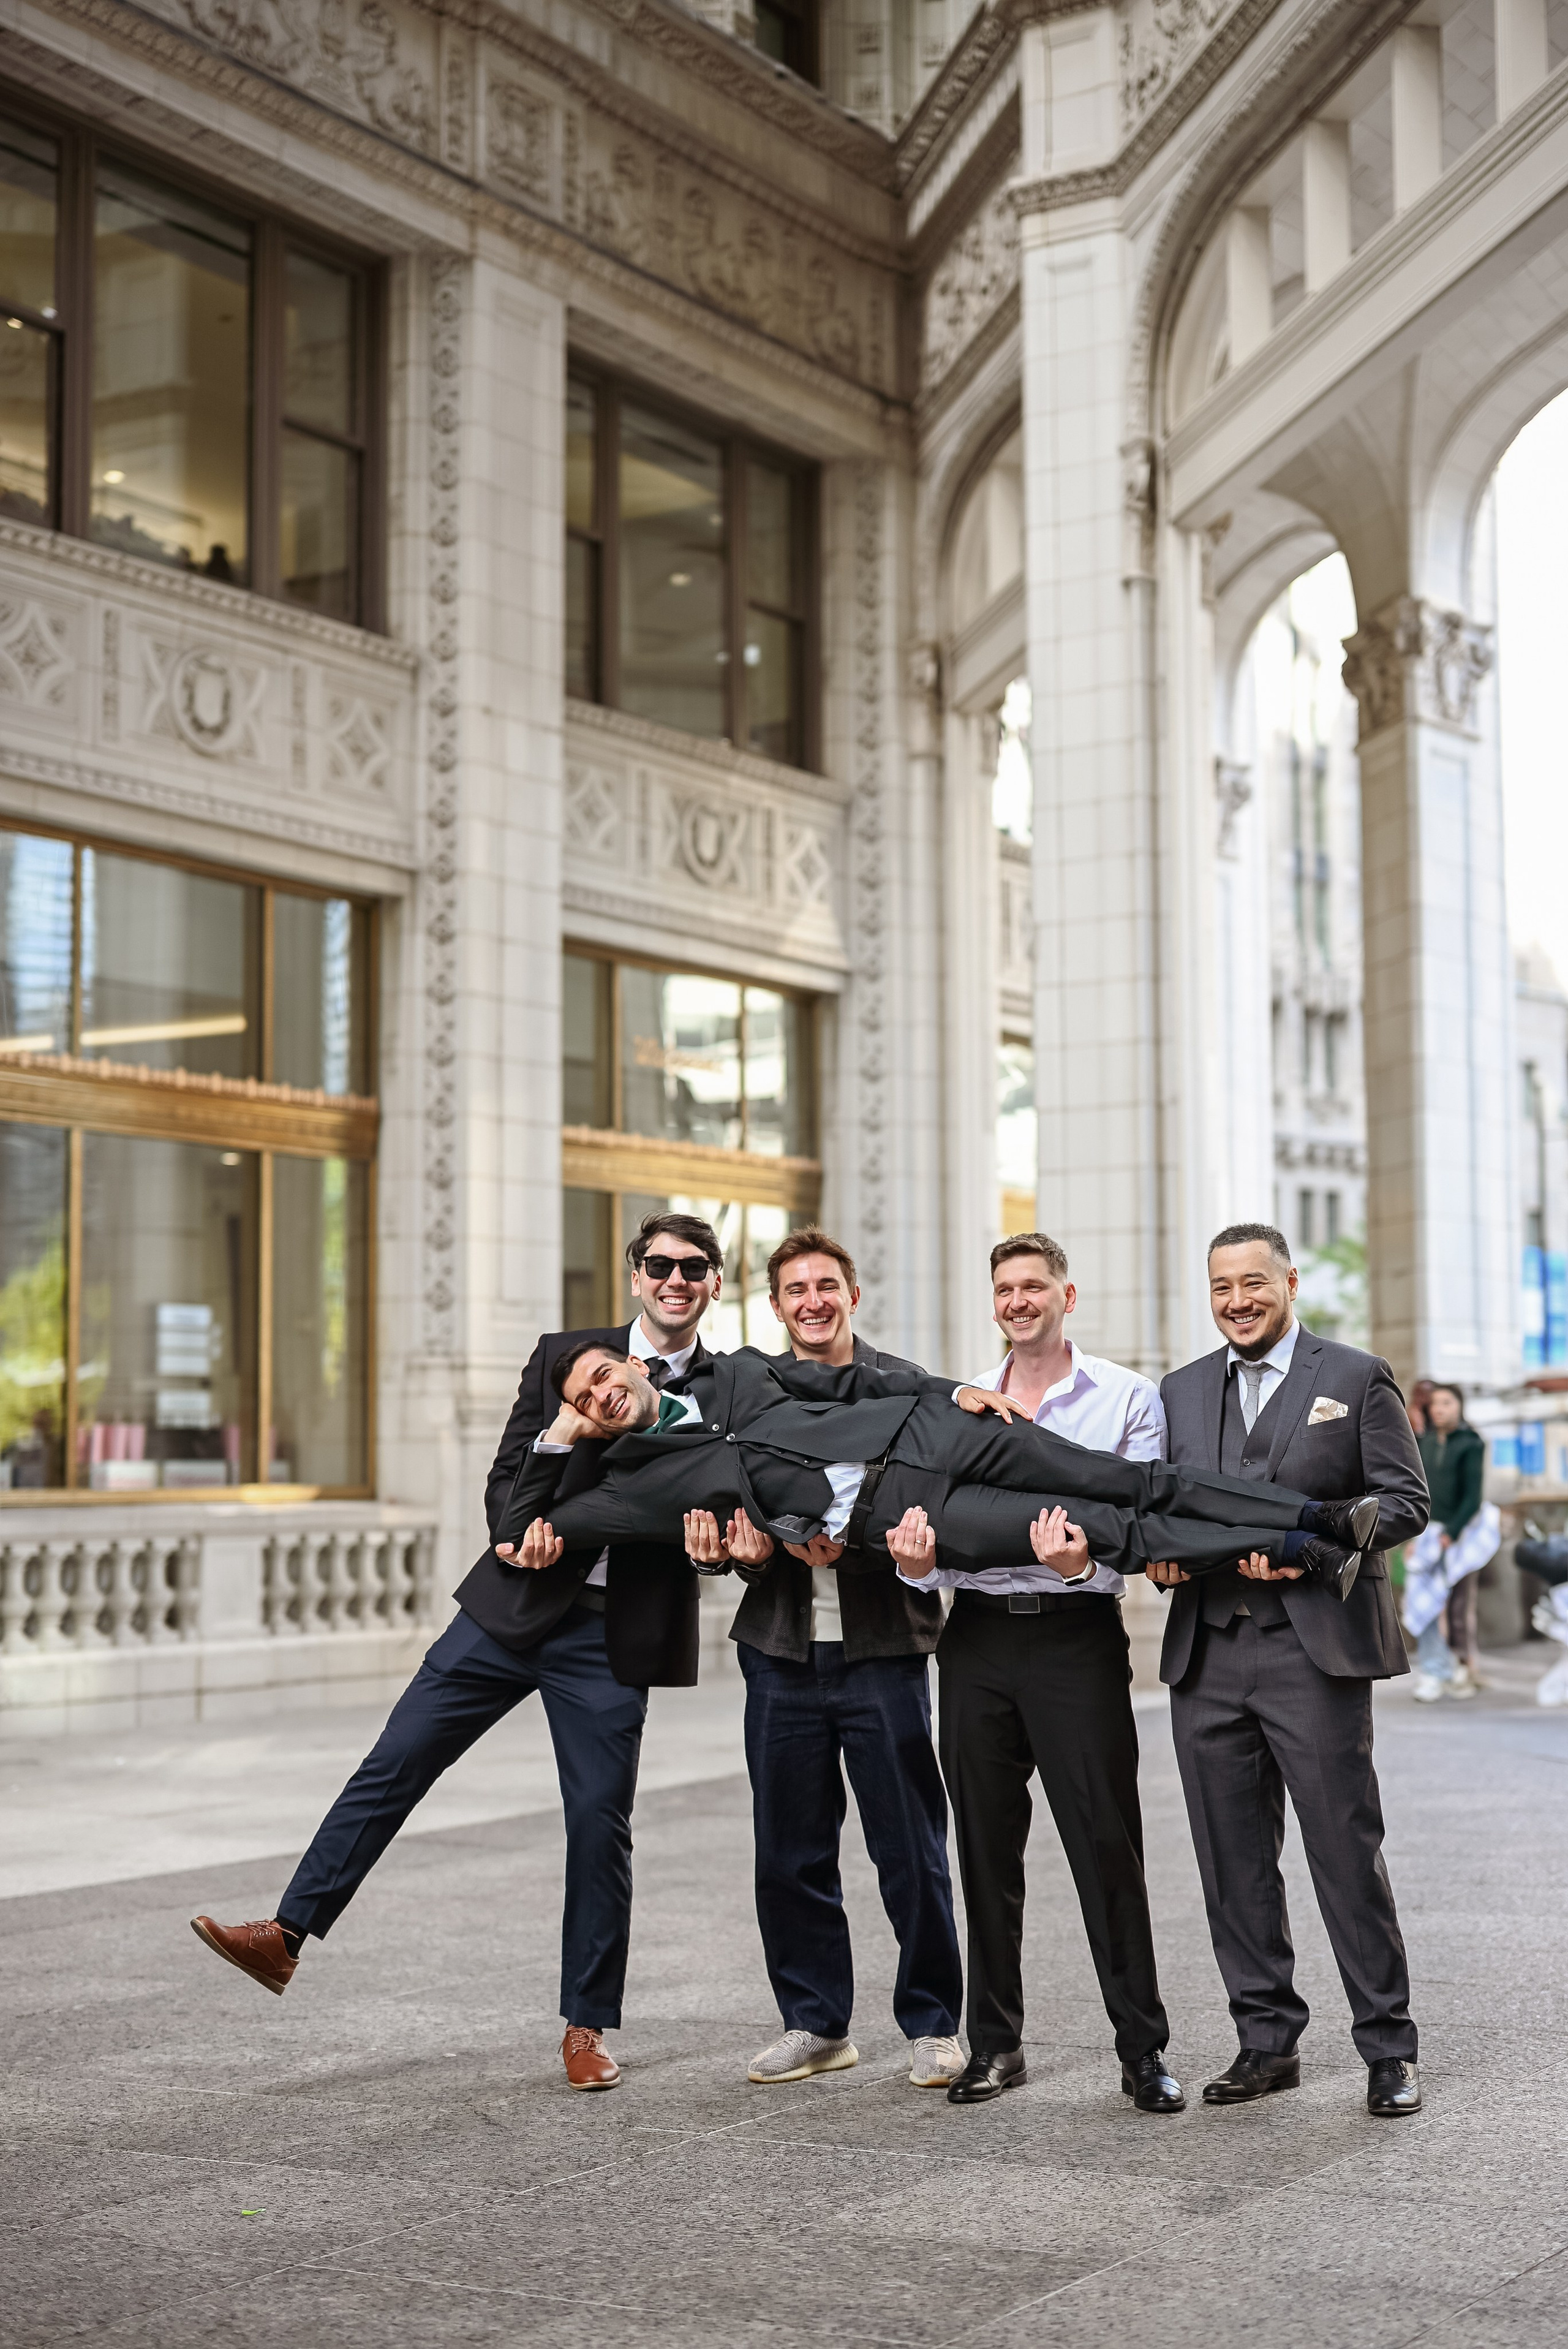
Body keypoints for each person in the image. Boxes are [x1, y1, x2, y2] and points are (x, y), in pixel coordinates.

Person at [190, 1212, 728, 2095]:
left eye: (694, 1267)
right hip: (511, 1608)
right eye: (661, 1264)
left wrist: (710, 1547)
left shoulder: (726, 1384)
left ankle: (585, 2026)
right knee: (394, 1760)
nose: (676, 1278)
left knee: (600, 1822)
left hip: (611, 1634)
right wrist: (521, 1525)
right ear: (636, 1275)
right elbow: (507, 1471)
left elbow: (711, 1498)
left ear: (711, 1282)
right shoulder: (568, 1351)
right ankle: (285, 1936)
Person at [886, 1233, 1183, 2113]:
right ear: (994, 1302)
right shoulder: (962, 1406)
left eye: (1034, 1286)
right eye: (1005, 1289)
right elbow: (936, 1537)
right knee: (984, 1850)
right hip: (976, 1639)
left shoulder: (1127, 1397)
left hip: (1077, 1639)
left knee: (1106, 1845)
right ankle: (996, 2045)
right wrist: (914, 1563)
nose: (1019, 1300)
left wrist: (1079, 1569)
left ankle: (1141, 2051)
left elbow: (1138, 1522)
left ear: (1067, 1294)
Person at [1147, 1224, 1431, 2119]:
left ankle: (1389, 2048)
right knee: (1233, 1862)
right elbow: (1163, 1505)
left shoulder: (1353, 1377)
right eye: (1222, 1285)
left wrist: (1312, 1549)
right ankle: (1265, 2041)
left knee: (1344, 1850)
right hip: (1208, 1652)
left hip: (1313, 1651)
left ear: (1290, 1283)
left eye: (1254, 1283)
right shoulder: (1182, 1390)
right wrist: (1159, 1556)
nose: (1237, 1300)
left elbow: (1406, 1502)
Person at [506, 1339, 1376, 1624]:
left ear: (632, 1362)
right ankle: (1296, 1543)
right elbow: (520, 1530)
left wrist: (947, 1387)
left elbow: (852, 1381)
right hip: (908, 1511)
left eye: (601, 1377)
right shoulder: (632, 1484)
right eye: (586, 1399)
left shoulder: (735, 1370)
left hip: (939, 1429)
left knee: (1133, 1480)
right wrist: (557, 1434)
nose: (601, 1393)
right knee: (1105, 1531)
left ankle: (1325, 1511)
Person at [698, 1230, 963, 2090]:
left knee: (909, 1846)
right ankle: (816, 2022)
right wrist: (737, 1549)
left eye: (826, 1285)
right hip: (779, 1653)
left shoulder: (908, 1392)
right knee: (789, 1847)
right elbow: (719, 1506)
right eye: (794, 1289)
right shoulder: (752, 1397)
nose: (811, 1300)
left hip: (882, 1649)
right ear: (775, 1306)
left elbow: (931, 1512)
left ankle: (933, 2023)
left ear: (853, 1295)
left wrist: (859, 1551)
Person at [1407, 1382, 1495, 1701]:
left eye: (1447, 1402)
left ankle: (1462, 1666)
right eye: (1435, 1404)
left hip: (1463, 1534)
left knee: (1458, 1604)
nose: (1439, 1409)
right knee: (1425, 1604)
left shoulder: (1471, 1443)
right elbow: (1415, 1494)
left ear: (1459, 1405)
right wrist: (1416, 1535)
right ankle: (1435, 1670)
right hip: (1427, 1533)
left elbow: (1472, 1498)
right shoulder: (1424, 1443)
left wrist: (1451, 1534)